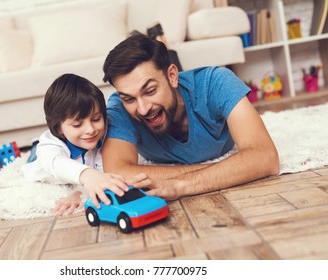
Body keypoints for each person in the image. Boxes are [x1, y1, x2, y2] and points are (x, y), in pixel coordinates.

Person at [101, 34, 279, 200]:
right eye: (129, 98)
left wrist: (180, 185)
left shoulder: (217, 82)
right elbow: (117, 172)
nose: (143, 109)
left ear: (172, 76)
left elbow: (266, 157)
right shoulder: (119, 106)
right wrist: (222, 170)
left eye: (150, 91)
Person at [22, 73, 149, 216]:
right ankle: (35, 143)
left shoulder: (106, 137)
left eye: (96, 119)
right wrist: (85, 178)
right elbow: (56, 164)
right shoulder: (51, 147)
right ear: (58, 128)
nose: (90, 130)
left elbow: (104, 176)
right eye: (77, 124)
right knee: (36, 152)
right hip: (41, 164)